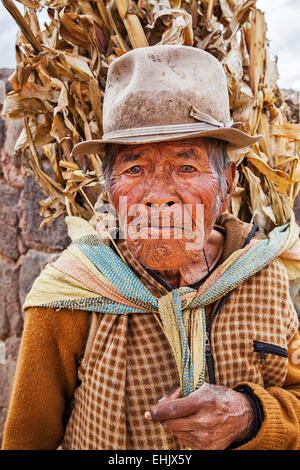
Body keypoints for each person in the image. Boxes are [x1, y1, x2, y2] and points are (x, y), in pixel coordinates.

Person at [2, 45, 300, 450]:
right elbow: (26, 438)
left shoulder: (265, 278)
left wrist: (252, 415)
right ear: (108, 187)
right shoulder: (69, 294)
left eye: (187, 166)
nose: (159, 195)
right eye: (135, 168)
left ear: (227, 184)